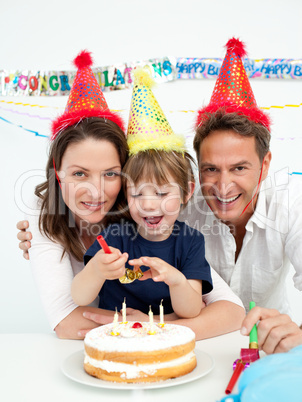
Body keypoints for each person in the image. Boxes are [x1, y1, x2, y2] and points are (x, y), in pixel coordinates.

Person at [17, 50, 245, 340]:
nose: (95, 190)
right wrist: (155, 324)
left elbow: (229, 311)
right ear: (57, 174)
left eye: (110, 173)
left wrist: (151, 325)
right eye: (79, 173)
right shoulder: (52, 217)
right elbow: (68, 321)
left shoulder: (154, 221)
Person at [178, 38, 302, 351]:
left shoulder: (290, 206)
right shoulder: (178, 209)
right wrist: (40, 230)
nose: (223, 186)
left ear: (264, 165)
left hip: (270, 349)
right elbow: (116, 214)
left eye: (239, 168)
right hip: (199, 345)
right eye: (210, 169)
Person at [71, 68, 213, 319]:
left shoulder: (191, 242)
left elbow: (191, 311)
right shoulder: (114, 236)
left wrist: (177, 281)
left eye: (160, 193)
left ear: (187, 192)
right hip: (116, 339)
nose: (148, 205)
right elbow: (80, 297)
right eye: (137, 195)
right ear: (126, 195)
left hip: (166, 341)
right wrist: (97, 270)